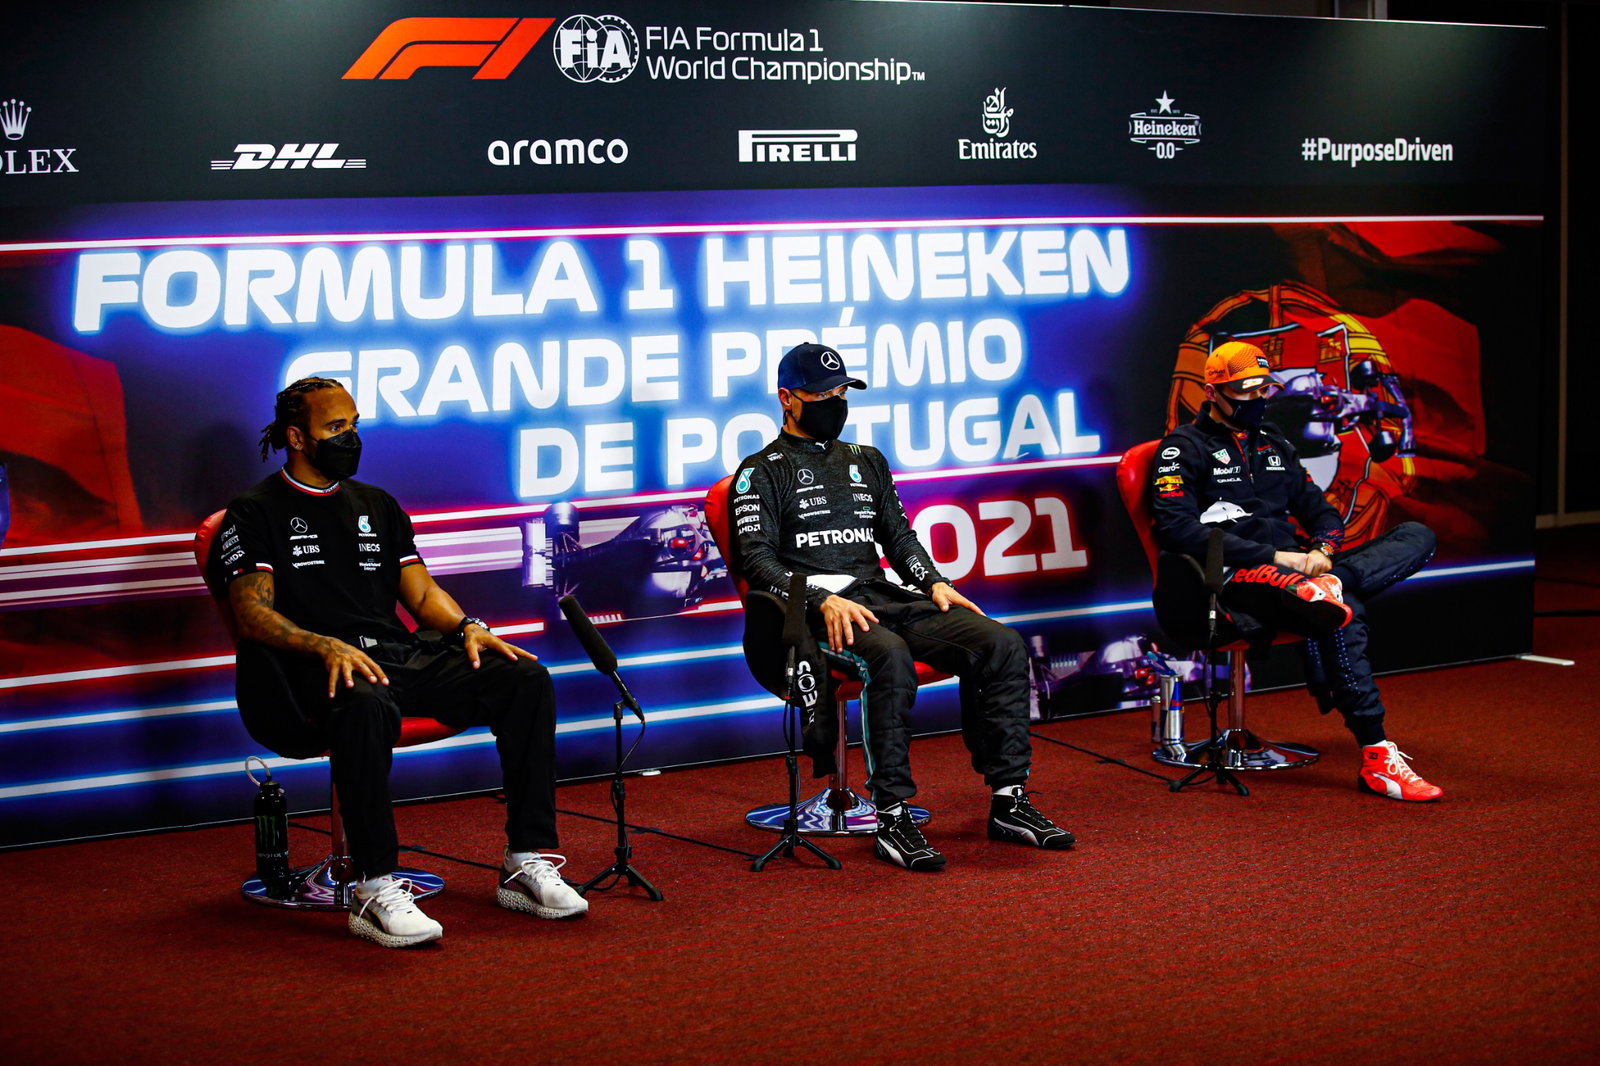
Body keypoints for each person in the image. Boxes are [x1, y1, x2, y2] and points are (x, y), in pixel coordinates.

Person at [207, 377, 587, 948]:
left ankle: (525, 860)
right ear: (297, 437)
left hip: (393, 657)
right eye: (336, 428)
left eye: (355, 424)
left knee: (523, 679)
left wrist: (468, 629)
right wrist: (325, 645)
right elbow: (251, 615)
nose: (351, 436)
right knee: (364, 702)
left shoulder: (377, 505)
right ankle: (373, 883)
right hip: (308, 671)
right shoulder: (253, 512)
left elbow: (422, 595)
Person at [731, 343, 1075, 871]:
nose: (835, 401)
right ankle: (892, 815)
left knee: (1000, 644)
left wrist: (934, 582)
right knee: (888, 656)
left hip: (882, 596)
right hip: (812, 613)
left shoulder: (866, 460)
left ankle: (1009, 801)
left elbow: (899, 538)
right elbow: (756, 562)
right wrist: (822, 600)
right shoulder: (760, 471)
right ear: (787, 399)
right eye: (822, 394)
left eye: (842, 392)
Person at [1150, 340, 1444, 801]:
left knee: (1416, 536)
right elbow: (1176, 530)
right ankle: (1376, 753)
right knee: (1336, 610)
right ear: (1213, 392)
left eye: (1263, 390)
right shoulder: (1182, 448)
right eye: (1246, 392)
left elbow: (1323, 513)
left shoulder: (1275, 444)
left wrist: (1324, 550)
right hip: (1238, 579)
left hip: (1303, 573)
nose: (1258, 400)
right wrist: (1274, 559)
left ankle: (1333, 582)